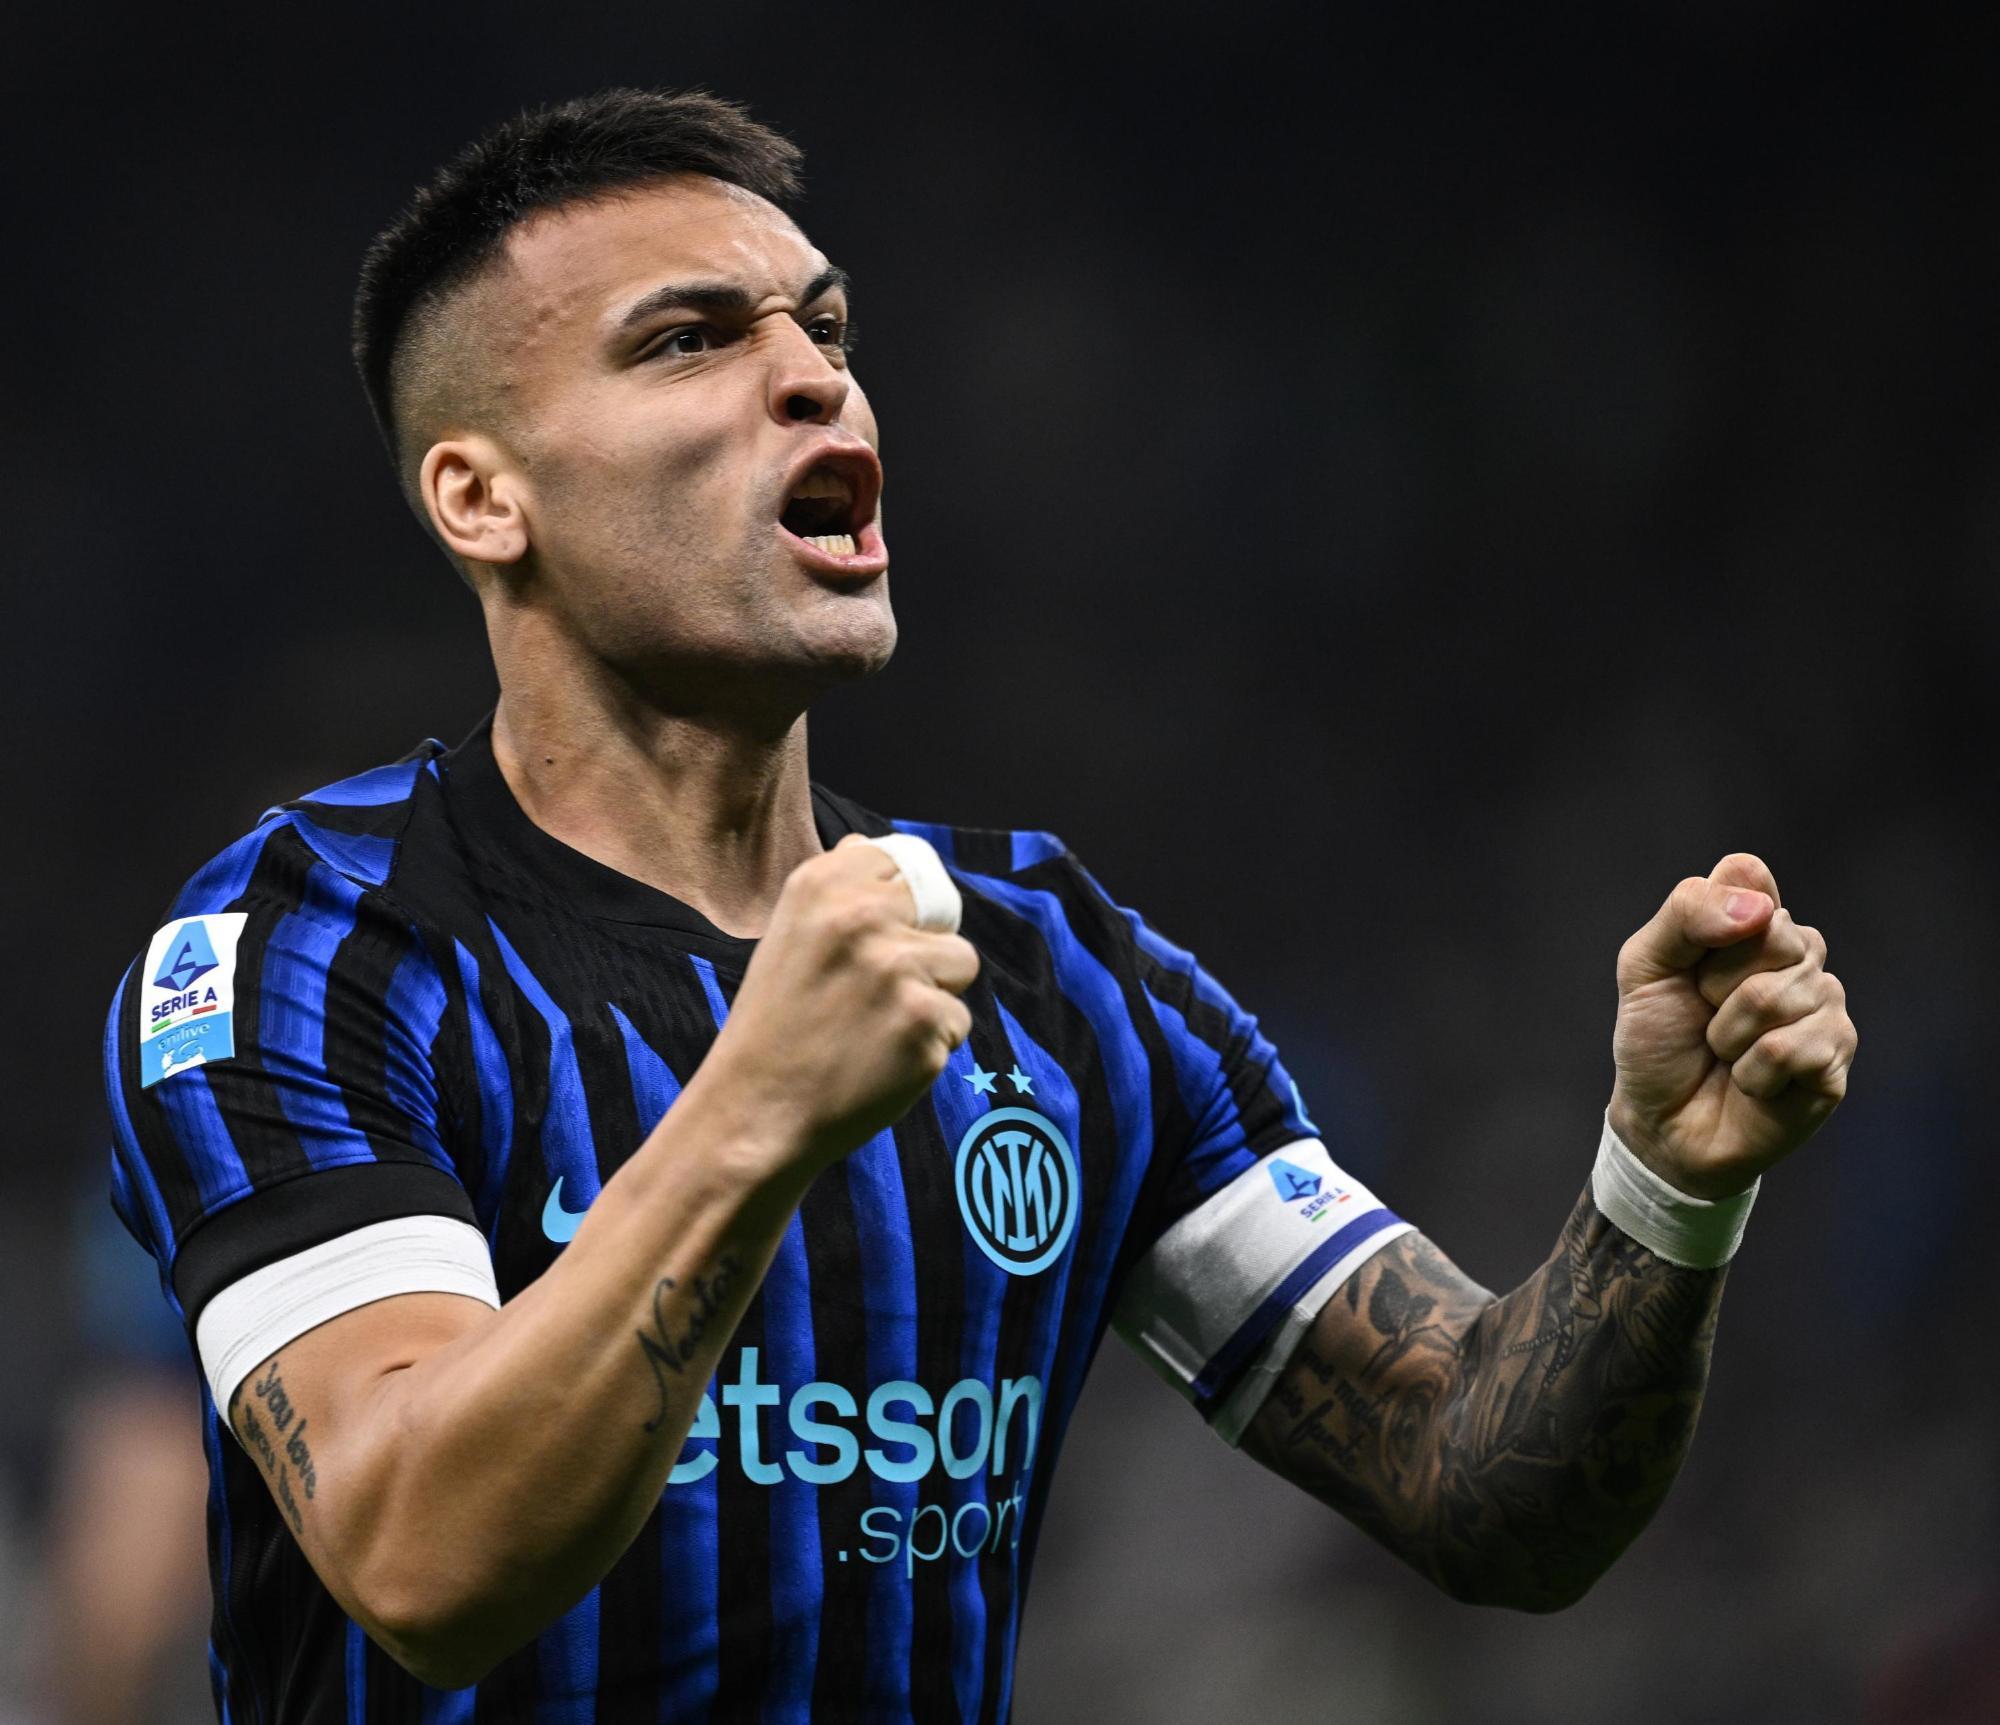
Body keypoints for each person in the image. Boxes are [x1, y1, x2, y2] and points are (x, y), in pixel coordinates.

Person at [101, 89, 1857, 1723]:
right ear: (484, 496)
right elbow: (420, 1560)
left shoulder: (1049, 968)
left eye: (826, 330)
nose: (816, 382)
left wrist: (1665, 1183)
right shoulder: (307, 952)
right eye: (691, 338)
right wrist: (759, 1108)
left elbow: (1484, 1490)